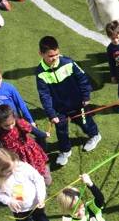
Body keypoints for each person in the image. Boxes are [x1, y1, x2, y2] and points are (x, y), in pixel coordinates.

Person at [36, 36, 100, 166]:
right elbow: (44, 95)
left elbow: (82, 78)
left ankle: (95, 135)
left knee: (85, 122)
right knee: (61, 131)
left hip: (78, 103)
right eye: (50, 56)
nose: (55, 58)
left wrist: (86, 96)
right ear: (41, 54)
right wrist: (51, 113)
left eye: (56, 54)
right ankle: (65, 151)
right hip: (59, 109)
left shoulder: (68, 62)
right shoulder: (40, 72)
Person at [0, 104, 50, 186]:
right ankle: (31, 185)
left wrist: (44, 135)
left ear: (14, 117)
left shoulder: (20, 122)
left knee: (39, 166)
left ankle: (45, 178)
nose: (11, 127)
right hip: (15, 157)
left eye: (12, 123)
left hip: (30, 152)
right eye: (6, 125)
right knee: (22, 173)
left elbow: (34, 131)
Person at [0, 60, 41, 138]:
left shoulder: (9, 88)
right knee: (6, 140)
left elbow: (21, 104)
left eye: (0, 78)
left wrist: (30, 120)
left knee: (21, 138)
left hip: (16, 120)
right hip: (1, 123)